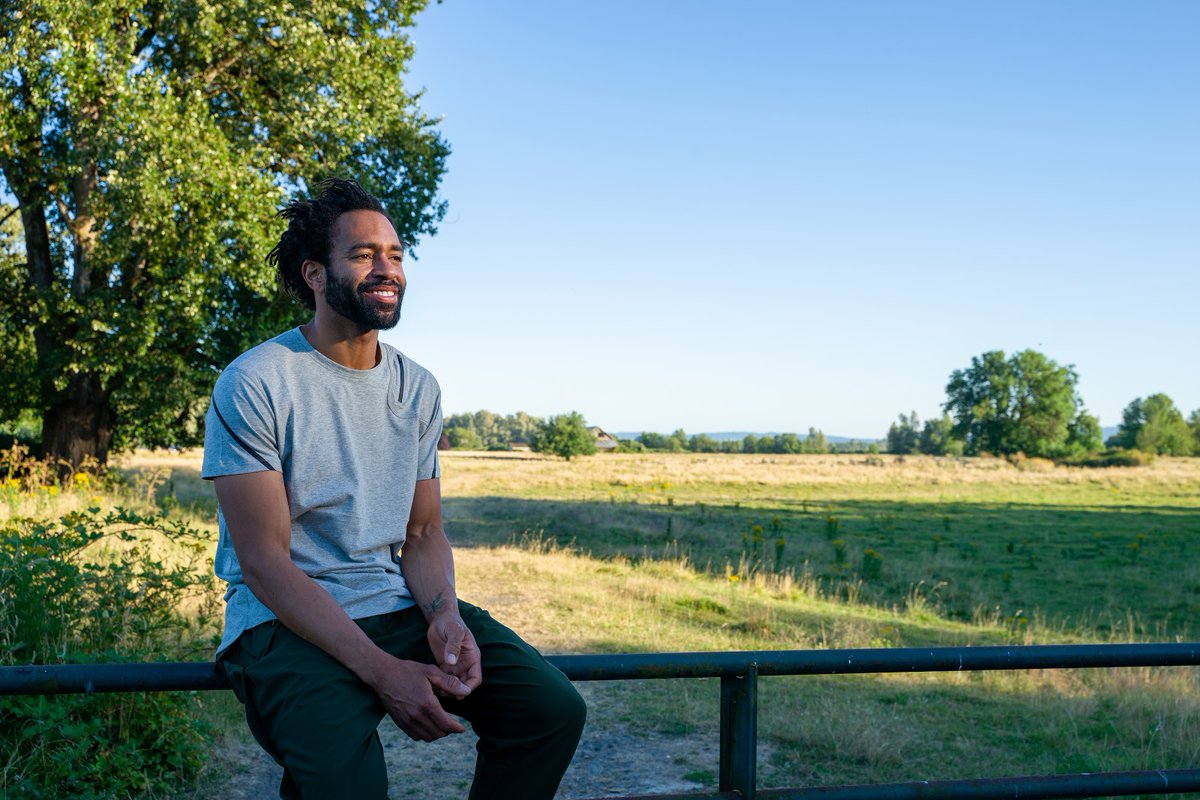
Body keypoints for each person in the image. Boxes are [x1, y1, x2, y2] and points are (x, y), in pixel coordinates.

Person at [202, 178, 585, 799]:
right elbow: (265, 565)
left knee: (550, 711)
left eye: (396, 254)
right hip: (282, 624)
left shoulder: (418, 387)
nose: (388, 269)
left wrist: (445, 617)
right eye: (363, 255)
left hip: (394, 604)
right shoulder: (257, 381)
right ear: (315, 275)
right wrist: (385, 674)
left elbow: (423, 531)